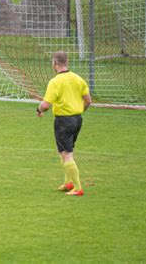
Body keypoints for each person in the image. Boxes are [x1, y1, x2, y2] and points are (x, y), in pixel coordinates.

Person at [36, 51, 92, 196]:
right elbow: (88, 101)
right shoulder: (78, 79)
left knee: (67, 154)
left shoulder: (55, 82)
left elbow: (46, 105)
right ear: (66, 62)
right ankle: (69, 183)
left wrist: (39, 109)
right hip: (77, 119)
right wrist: (78, 112)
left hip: (63, 121)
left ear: (54, 63)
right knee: (63, 151)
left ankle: (78, 188)